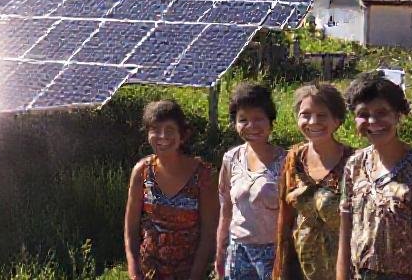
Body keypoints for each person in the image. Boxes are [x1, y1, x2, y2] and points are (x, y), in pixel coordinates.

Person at [336, 72, 412, 280]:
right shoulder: (354, 165)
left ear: (397, 115)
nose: (373, 121)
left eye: (381, 112)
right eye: (363, 114)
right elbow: (346, 226)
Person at [125, 99, 219, 280]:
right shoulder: (142, 171)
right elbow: (131, 226)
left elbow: (209, 231)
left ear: (183, 135)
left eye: (169, 130)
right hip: (149, 271)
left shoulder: (204, 175)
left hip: (190, 271)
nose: (162, 136)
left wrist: (196, 275)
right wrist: (134, 270)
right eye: (155, 130)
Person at [274, 82, 354, 280]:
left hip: (344, 269)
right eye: (305, 114)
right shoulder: (294, 158)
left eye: (322, 115)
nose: (313, 121)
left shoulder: (353, 162)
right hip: (300, 268)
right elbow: (286, 217)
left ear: (337, 120)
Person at [215, 83, 288, 280]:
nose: (251, 126)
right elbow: (226, 208)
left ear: (271, 122)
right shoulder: (231, 159)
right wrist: (220, 251)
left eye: (258, 119)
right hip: (238, 249)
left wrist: (287, 255)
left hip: (272, 252)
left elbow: (292, 214)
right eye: (243, 120)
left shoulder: (287, 162)